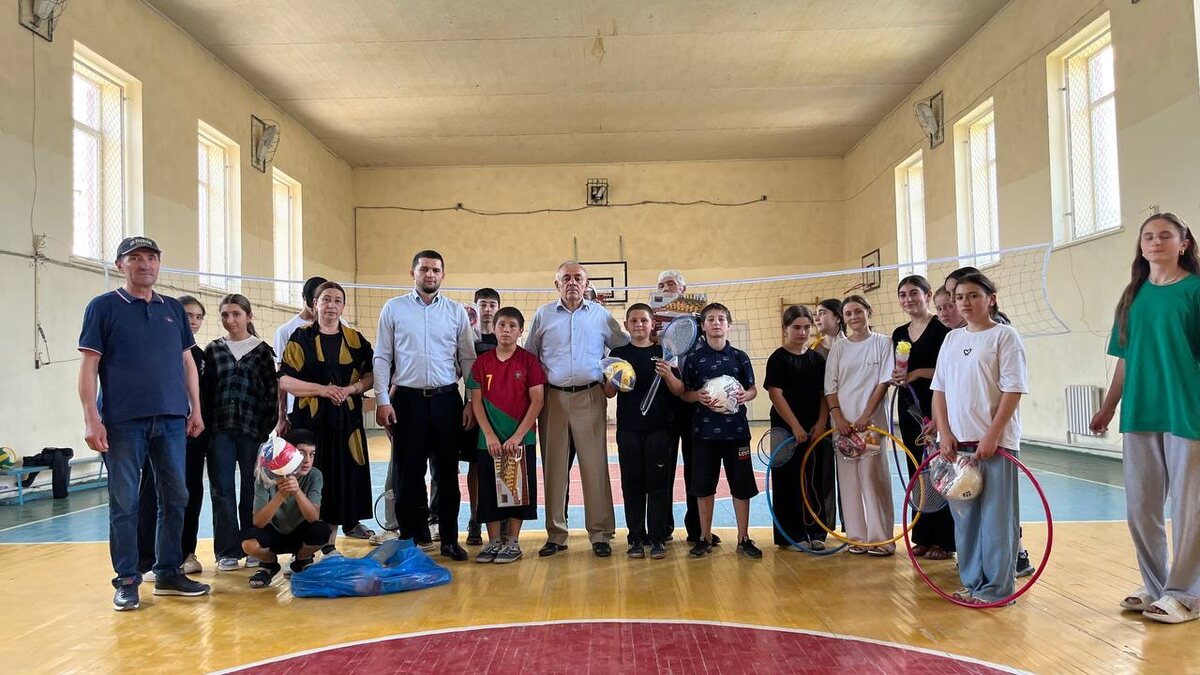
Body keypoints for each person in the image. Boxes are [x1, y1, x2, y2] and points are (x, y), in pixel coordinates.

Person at [78, 236, 211, 611]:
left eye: (151, 257)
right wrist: (91, 419)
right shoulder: (103, 307)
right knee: (125, 503)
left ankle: (168, 572)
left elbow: (187, 363)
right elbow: (89, 366)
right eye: (135, 257)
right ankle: (127, 579)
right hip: (122, 422)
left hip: (171, 419)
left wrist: (196, 409)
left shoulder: (173, 309)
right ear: (121, 265)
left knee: (176, 497)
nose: (145, 264)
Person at [1090, 213, 1200, 623]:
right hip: (1139, 411)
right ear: (1141, 245)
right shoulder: (1133, 295)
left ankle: (1186, 595)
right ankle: (1157, 585)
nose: (1155, 242)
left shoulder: (1195, 290)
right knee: (1141, 507)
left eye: (1165, 236)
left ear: (1183, 243)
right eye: (1148, 236)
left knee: (1189, 508)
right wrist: (1108, 406)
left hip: (1186, 411)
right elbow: (1124, 357)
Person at [931, 271, 1028, 605]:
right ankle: (973, 583)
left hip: (995, 445)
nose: (965, 303)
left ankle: (998, 589)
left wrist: (992, 436)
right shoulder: (951, 340)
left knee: (996, 520)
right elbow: (939, 390)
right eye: (959, 297)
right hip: (957, 446)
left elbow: (1013, 390)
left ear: (991, 299)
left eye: (973, 295)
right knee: (966, 520)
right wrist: (944, 433)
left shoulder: (1005, 336)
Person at [373, 251, 476, 561]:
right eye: (424, 269)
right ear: (413, 273)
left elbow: (467, 358)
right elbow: (382, 357)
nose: (430, 274)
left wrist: (471, 401)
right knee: (408, 476)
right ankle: (411, 540)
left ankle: (449, 540)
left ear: (443, 275)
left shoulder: (456, 312)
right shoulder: (394, 308)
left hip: (447, 401)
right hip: (406, 401)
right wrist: (382, 400)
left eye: (435, 270)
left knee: (447, 476)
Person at [525, 261, 629, 558]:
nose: (572, 282)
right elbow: (530, 356)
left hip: (590, 396)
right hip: (552, 399)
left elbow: (623, 346)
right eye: (566, 278)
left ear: (586, 284)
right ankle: (556, 534)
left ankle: (601, 533)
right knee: (554, 468)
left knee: (595, 467)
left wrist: (614, 377)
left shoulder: (600, 315)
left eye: (578, 278)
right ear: (557, 284)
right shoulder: (543, 315)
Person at [280, 282, 376, 551]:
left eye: (337, 300)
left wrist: (351, 389)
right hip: (309, 424)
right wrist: (322, 390)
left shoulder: (355, 340)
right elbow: (285, 380)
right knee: (307, 477)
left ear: (343, 306)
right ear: (315, 304)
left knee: (338, 480)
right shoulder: (300, 337)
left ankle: (329, 545)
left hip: (346, 423)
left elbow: (372, 375)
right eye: (326, 300)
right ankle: (302, 548)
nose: (331, 305)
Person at [667, 303, 760, 559]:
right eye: (711, 319)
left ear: (728, 325)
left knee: (741, 486)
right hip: (704, 434)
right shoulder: (694, 359)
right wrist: (697, 395)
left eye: (721, 319)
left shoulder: (740, 357)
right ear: (703, 326)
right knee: (704, 486)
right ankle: (704, 538)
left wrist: (746, 395)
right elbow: (685, 394)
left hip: (737, 433)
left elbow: (753, 388)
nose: (716, 323)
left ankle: (744, 538)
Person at [203, 294, 279, 572]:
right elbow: (205, 391)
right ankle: (227, 550)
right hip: (219, 432)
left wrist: (265, 429)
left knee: (252, 489)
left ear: (248, 316)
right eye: (225, 314)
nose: (230, 320)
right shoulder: (213, 350)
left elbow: (271, 393)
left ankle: (251, 544)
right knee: (221, 490)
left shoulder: (262, 351)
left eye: (236, 314)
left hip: (252, 432)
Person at [136, 295, 209, 579]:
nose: (193, 321)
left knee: (188, 492)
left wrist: (198, 418)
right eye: (188, 315)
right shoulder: (156, 350)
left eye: (198, 317)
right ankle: (147, 558)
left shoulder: (200, 356)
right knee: (151, 492)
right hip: (159, 431)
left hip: (192, 433)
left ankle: (185, 552)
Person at [468, 307, 546, 564]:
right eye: (502, 325)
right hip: (489, 440)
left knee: (517, 490)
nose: (506, 330)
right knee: (489, 490)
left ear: (520, 331)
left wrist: (517, 436)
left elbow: (537, 401)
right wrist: (489, 435)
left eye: (512, 326)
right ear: (494, 328)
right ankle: (493, 542)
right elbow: (476, 402)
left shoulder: (529, 361)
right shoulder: (482, 362)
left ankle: (512, 542)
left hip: (521, 439)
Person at [604, 303, 677, 560]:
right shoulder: (619, 353)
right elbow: (608, 393)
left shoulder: (664, 353)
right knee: (632, 484)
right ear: (626, 325)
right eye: (633, 321)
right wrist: (614, 378)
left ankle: (657, 538)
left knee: (658, 485)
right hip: (628, 430)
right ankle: (635, 537)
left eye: (644, 320)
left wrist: (668, 375)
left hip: (659, 429)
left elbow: (679, 390)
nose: (638, 325)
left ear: (652, 324)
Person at [824, 295, 895, 556]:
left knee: (872, 479)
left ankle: (881, 540)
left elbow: (883, 382)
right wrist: (839, 418)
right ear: (843, 318)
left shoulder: (883, 343)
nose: (854, 317)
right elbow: (830, 387)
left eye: (858, 311)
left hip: (871, 426)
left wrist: (866, 415)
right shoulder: (838, 349)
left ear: (868, 312)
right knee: (849, 482)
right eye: (848, 313)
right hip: (842, 428)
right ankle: (857, 538)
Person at [891, 276, 955, 560]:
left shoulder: (943, 328)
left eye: (914, 293)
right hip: (909, 408)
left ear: (927, 295)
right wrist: (898, 376)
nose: (908, 299)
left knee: (942, 470)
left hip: (936, 406)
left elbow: (949, 370)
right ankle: (924, 536)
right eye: (903, 294)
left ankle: (944, 540)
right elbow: (899, 368)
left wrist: (917, 373)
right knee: (917, 469)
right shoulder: (899, 333)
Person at [765, 305, 833, 551]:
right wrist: (795, 426)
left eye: (806, 327)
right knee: (787, 480)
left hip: (814, 429)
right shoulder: (778, 359)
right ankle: (791, 535)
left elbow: (824, 394)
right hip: (785, 430)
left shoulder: (817, 359)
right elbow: (776, 394)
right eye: (796, 327)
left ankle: (816, 531)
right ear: (785, 328)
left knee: (814, 479)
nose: (802, 332)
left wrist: (821, 423)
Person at [241, 429, 333, 588]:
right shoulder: (266, 475)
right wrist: (281, 495)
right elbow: (258, 522)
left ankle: (302, 559)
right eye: (302, 453)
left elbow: (313, 517)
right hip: (273, 532)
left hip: (299, 532)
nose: (307, 460)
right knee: (248, 543)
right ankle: (269, 564)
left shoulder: (314, 475)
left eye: (312, 454)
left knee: (322, 532)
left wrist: (297, 492)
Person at [655, 269, 708, 544]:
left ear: (683, 290)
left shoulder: (699, 321)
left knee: (695, 467)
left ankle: (697, 529)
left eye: (671, 284)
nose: (666, 288)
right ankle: (662, 527)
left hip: (693, 403)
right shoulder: (653, 321)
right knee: (663, 467)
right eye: (661, 285)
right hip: (664, 403)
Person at [464, 287, 501, 546]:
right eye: (483, 304)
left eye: (492, 304)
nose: (487, 309)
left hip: (501, 411)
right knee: (475, 465)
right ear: (475, 308)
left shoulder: (505, 337)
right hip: (473, 407)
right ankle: (475, 518)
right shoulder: (467, 338)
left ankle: (500, 517)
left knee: (502, 463)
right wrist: (469, 402)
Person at [273, 276, 330, 436]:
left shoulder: (341, 326)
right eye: (313, 304)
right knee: (303, 450)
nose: (317, 309)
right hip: (299, 407)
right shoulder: (286, 331)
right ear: (304, 298)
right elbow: (281, 376)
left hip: (332, 405)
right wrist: (281, 416)